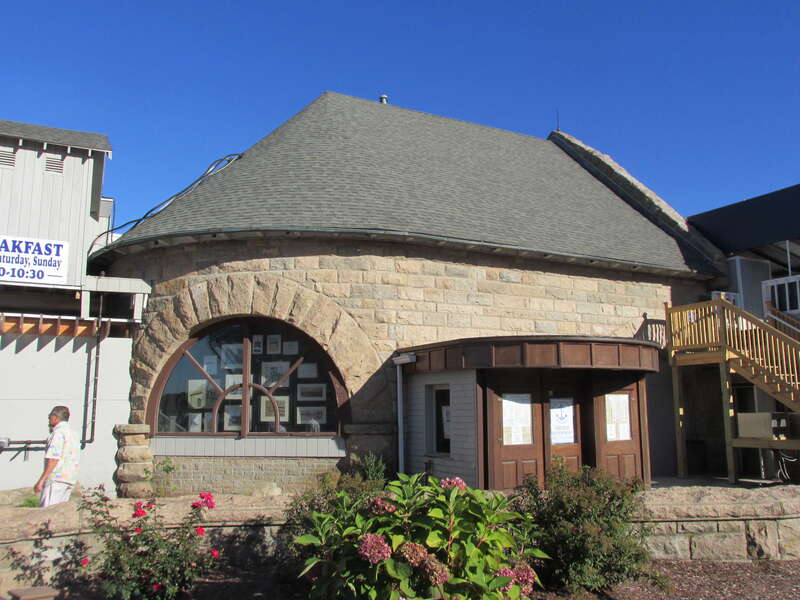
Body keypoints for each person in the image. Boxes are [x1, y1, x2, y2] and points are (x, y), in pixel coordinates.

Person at [34, 406, 80, 507]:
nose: (49, 420)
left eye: (49, 417)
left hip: (56, 480)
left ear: (55, 417)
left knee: (46, 514)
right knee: (60, 514)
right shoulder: (74, 434)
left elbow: (53, 459)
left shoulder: (57, 433)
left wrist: (41, 480)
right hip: (69, 479)